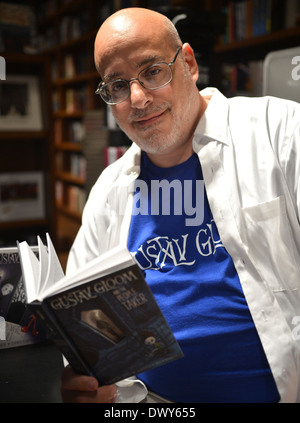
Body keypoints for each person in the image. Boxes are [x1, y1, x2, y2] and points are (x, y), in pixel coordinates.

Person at [60, 7, 300, 403]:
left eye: (153, 71)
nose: (137, 99)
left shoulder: (282, 133)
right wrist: (86, 382)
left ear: (188, 64)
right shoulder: (108, 190)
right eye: (118, 85)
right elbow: (86, 329)